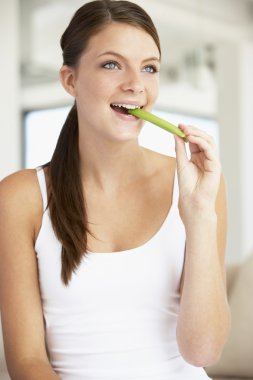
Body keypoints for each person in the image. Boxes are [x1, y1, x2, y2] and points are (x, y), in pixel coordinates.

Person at [0, 1, 231, 379]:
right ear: (69, 80)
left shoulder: (198, 187)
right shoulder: (20, 198)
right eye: (112, 64)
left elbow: (203, 350)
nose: (136, 84)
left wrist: (200, 216)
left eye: (149, 68)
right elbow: (27, 361)